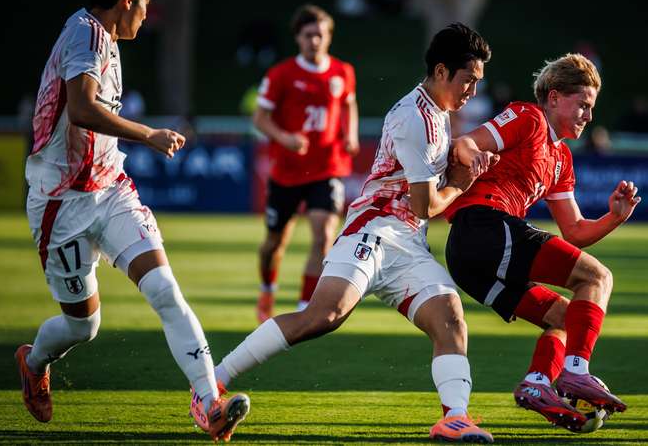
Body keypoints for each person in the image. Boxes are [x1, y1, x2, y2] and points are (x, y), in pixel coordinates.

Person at [211, 23, 497, 443]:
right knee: (323, 316)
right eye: (468, 79)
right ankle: (212, 384)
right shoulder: (412, 117)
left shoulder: (438, 113)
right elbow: (425, 204)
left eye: (477, 81)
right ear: (441, 71)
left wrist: (460, 167)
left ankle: (454, 418)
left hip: (409, 243)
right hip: (373, 231)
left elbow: (425, 204)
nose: (473, 90)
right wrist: (459, 183)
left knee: (451, 318)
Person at [15, 0, 248, 441]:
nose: (148, 13)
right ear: (126, 1)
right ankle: (33, 362)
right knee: (83, 327)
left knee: (165, 290)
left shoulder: (105, 38)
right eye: (145, 4)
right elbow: (80, 110)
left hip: (112, 190)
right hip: (61, 203)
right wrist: (149, 134)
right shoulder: (86, 34)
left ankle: (209, 403)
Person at [445, 53, 639, 431]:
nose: (588, 115)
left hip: (472, 258)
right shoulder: (528, 117)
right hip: (482, 226)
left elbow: (576, 231)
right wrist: (475, 154)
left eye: (591, 107)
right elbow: (465, 143)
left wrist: (615, 217)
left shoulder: (561, 157)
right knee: (597, 279)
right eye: (582, 104)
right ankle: (576, 371)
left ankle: (538, 383)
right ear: (553, 98)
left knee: (568, 318)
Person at [252, 4, 360, 323]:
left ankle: (304, 306)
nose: (315, 41)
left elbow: (349, 105)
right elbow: (260, 118)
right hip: (286, 172)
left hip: (327, 167)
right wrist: (284, 137)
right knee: (274, 243)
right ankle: (267, 287)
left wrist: (350, 134)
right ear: (298, 38)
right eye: (309, 35)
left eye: (321, 35)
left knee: (324, 236)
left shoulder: (343, 72)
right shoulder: (281, 74)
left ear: (329, 37)